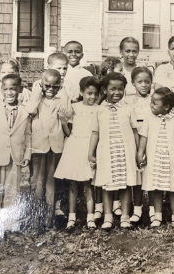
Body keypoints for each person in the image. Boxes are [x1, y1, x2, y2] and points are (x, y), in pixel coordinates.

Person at [0, 74, 32, 240]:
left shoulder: (25, 111)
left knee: (12, 192)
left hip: (15, 157)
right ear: (1, 90)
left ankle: (9, 227)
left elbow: (28, 135)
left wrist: (27, 154)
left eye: (13, 88)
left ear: (20, 90)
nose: (10, 92)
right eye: (6, 89)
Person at [88, 72, 139, 231]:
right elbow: (95, 132)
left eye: (120, 89)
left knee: (125, 184)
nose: (117, 92)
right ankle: (108, 217)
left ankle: (125, 217)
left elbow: (135, 131)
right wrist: (91, 153)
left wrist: (138, 153)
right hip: (107, 151)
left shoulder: (129, 108)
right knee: (106, 184)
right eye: (113, 89)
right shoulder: (99, 110)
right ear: (104, 90)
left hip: (125, 152)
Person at [54, 76, 100, 232]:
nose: (92, 97)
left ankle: (90, 217)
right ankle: (71, 218)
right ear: (82, 92)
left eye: (95, 94)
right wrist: (63, 122)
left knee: (88, 183)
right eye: (89, 93)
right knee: (73, 184)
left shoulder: (99, 109)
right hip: (74, 146)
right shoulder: (74, 107)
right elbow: (68, 132)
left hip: (89, 147)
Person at [137, 87, 174, 229]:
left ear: (166, 107)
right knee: (156, 188)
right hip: (155, 159)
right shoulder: (149, 119)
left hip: (172, 160)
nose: (151, 105)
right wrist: (140, 153)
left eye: (155, 103)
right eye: (151, 102)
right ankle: (157, 216)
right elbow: (143, 137)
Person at [26, 69, 68, 231]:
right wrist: (37, 91)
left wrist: (63, 93)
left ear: (60, 86)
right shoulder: (36, 99)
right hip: (38, 146)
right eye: (47, 86)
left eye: (55, 86)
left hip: (55, 147)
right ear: (41, 85)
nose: (50, 89)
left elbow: (67, 113)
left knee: (52, 184)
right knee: (37, 185)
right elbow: (29, 110)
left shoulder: (61, 99)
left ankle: (48, 220)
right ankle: (36, 220)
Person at [124, 67, 153, 223]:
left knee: (150, 174)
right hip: (133, 139)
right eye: (140, 82)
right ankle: (137, 208)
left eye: (147, 82)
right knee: (136, 174)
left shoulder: (154, 99)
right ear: (133, 83)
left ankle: (154, 210)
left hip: (151, 139)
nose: (143, 85)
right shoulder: (127, 100)